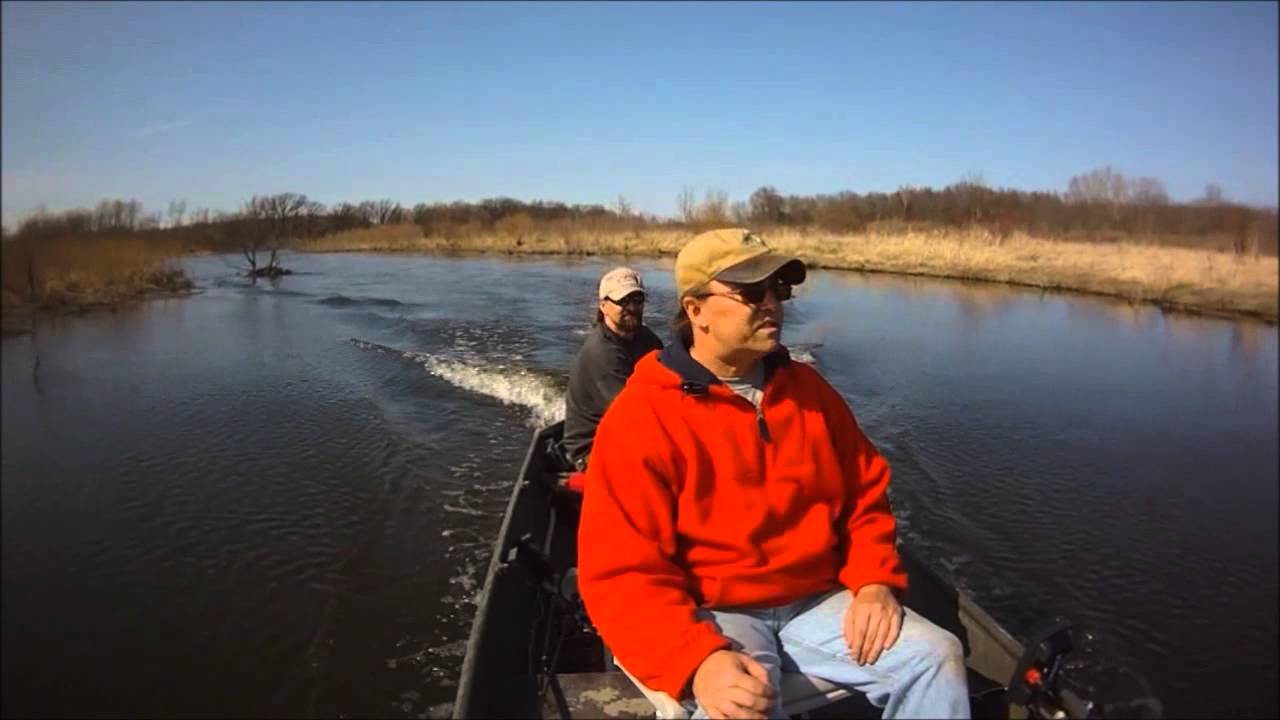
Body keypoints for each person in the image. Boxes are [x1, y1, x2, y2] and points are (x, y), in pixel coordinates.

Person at [577, 229, 970, 719]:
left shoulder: (810, 393)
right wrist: (698, 661)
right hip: (715, 610)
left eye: (778, 290)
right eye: (750, 292)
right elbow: (620, 574)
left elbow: (865, 500)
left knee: (936, 656)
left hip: (815, 600)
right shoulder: (642, 417)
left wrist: (873, 582)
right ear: (695, 310)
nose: (772, 305)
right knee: (741, 705)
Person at [562, 266, 663, 472]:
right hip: (592, 450)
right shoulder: (602, 354)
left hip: (626, 432)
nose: (632, 307)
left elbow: (671, 376)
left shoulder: (645, 337)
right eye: (623, 301)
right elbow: (634, 416)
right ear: (604, 306)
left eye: (638, 300)